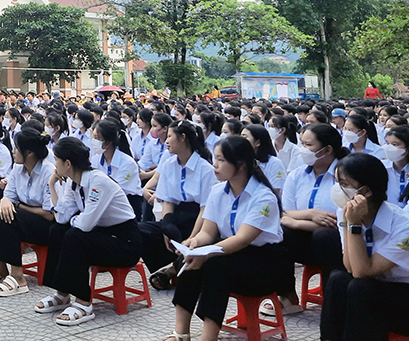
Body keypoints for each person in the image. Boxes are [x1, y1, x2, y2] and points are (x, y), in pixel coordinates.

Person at [164, 136, 288, 341]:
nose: (215, 165)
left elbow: (242, 239)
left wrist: (207, 254)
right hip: (230, 253)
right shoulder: (217, 191)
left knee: (216, 267)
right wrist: (193, 243)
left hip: (263, 262)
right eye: (215, 159)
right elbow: (208, 232)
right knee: (188, 260)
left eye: (221, 160)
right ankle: (181, 332)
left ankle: (209, 336)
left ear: (240, 165)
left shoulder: (263, 197)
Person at [320, 153, 409, 341]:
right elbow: (350, 266)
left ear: (365, 191)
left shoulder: (406, 227)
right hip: (382, 291)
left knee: (360, 288)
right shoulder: (346, 211)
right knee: (338, 279)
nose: (337, 189)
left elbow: (363, 271)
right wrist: (351, 223)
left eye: (344, 183)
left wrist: (354, 226)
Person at [35, 137, 141, 326]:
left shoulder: (98, 182)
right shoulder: (72, 181)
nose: (54, 166)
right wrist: (52, 185)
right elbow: (61, 217)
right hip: (102, 235)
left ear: (67, 163)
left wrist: (74, 218)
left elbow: (84, 224)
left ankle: (84, 302)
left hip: (124, 242)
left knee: (74, 236)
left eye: (56, 161)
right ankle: (62, 294)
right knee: (57, 231)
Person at [271, 123, 348, 315]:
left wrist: (295, 220)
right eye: (302, 144)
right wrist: (309, 215)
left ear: (327, 149)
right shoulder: (297, 175)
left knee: (324, 235)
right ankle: (287, 297)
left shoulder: (345, 175)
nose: (303, 150)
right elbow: (285, 213)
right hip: (304, 239)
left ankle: (333, 303)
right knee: (280, 233)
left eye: (308, 145)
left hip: (338, 242)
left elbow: (338, 220)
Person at [0, 127, 55, 296]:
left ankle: (19, 278)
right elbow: (9, 195)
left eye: (16, 149)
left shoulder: (48, 172)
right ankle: (1, 268)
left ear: (29, 153)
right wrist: (5, 200)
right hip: (25, 218)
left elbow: (49, 214)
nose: (13, 152)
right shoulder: (18, 168)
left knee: (10, 217)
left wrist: (18, 206)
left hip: (46, 225)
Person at [140, 120, 216, 291]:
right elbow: (168, 201)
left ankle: (173, 269)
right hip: (176, 217)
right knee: (141, 230)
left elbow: (205, 209)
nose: (166, 141)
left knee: (195, 248)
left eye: (170, 137)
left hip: (199, 220)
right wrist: (168, 228)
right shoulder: (168, 164)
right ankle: (175, 264)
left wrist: (193, 238)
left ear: (183, 138)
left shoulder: (205, 169)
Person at [90, 118, 144, 219]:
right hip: (103, 203)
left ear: (108, 142)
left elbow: (116, 191)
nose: (93, 141)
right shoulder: (95, 160)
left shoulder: (127, 163)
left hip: (126, 206)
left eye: (97, 138)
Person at [242, 125, 286, 195]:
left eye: (245, 137)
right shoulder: (242, 162)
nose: (241, 140)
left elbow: (276, 190)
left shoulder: (274, 163)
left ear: (258, 143)